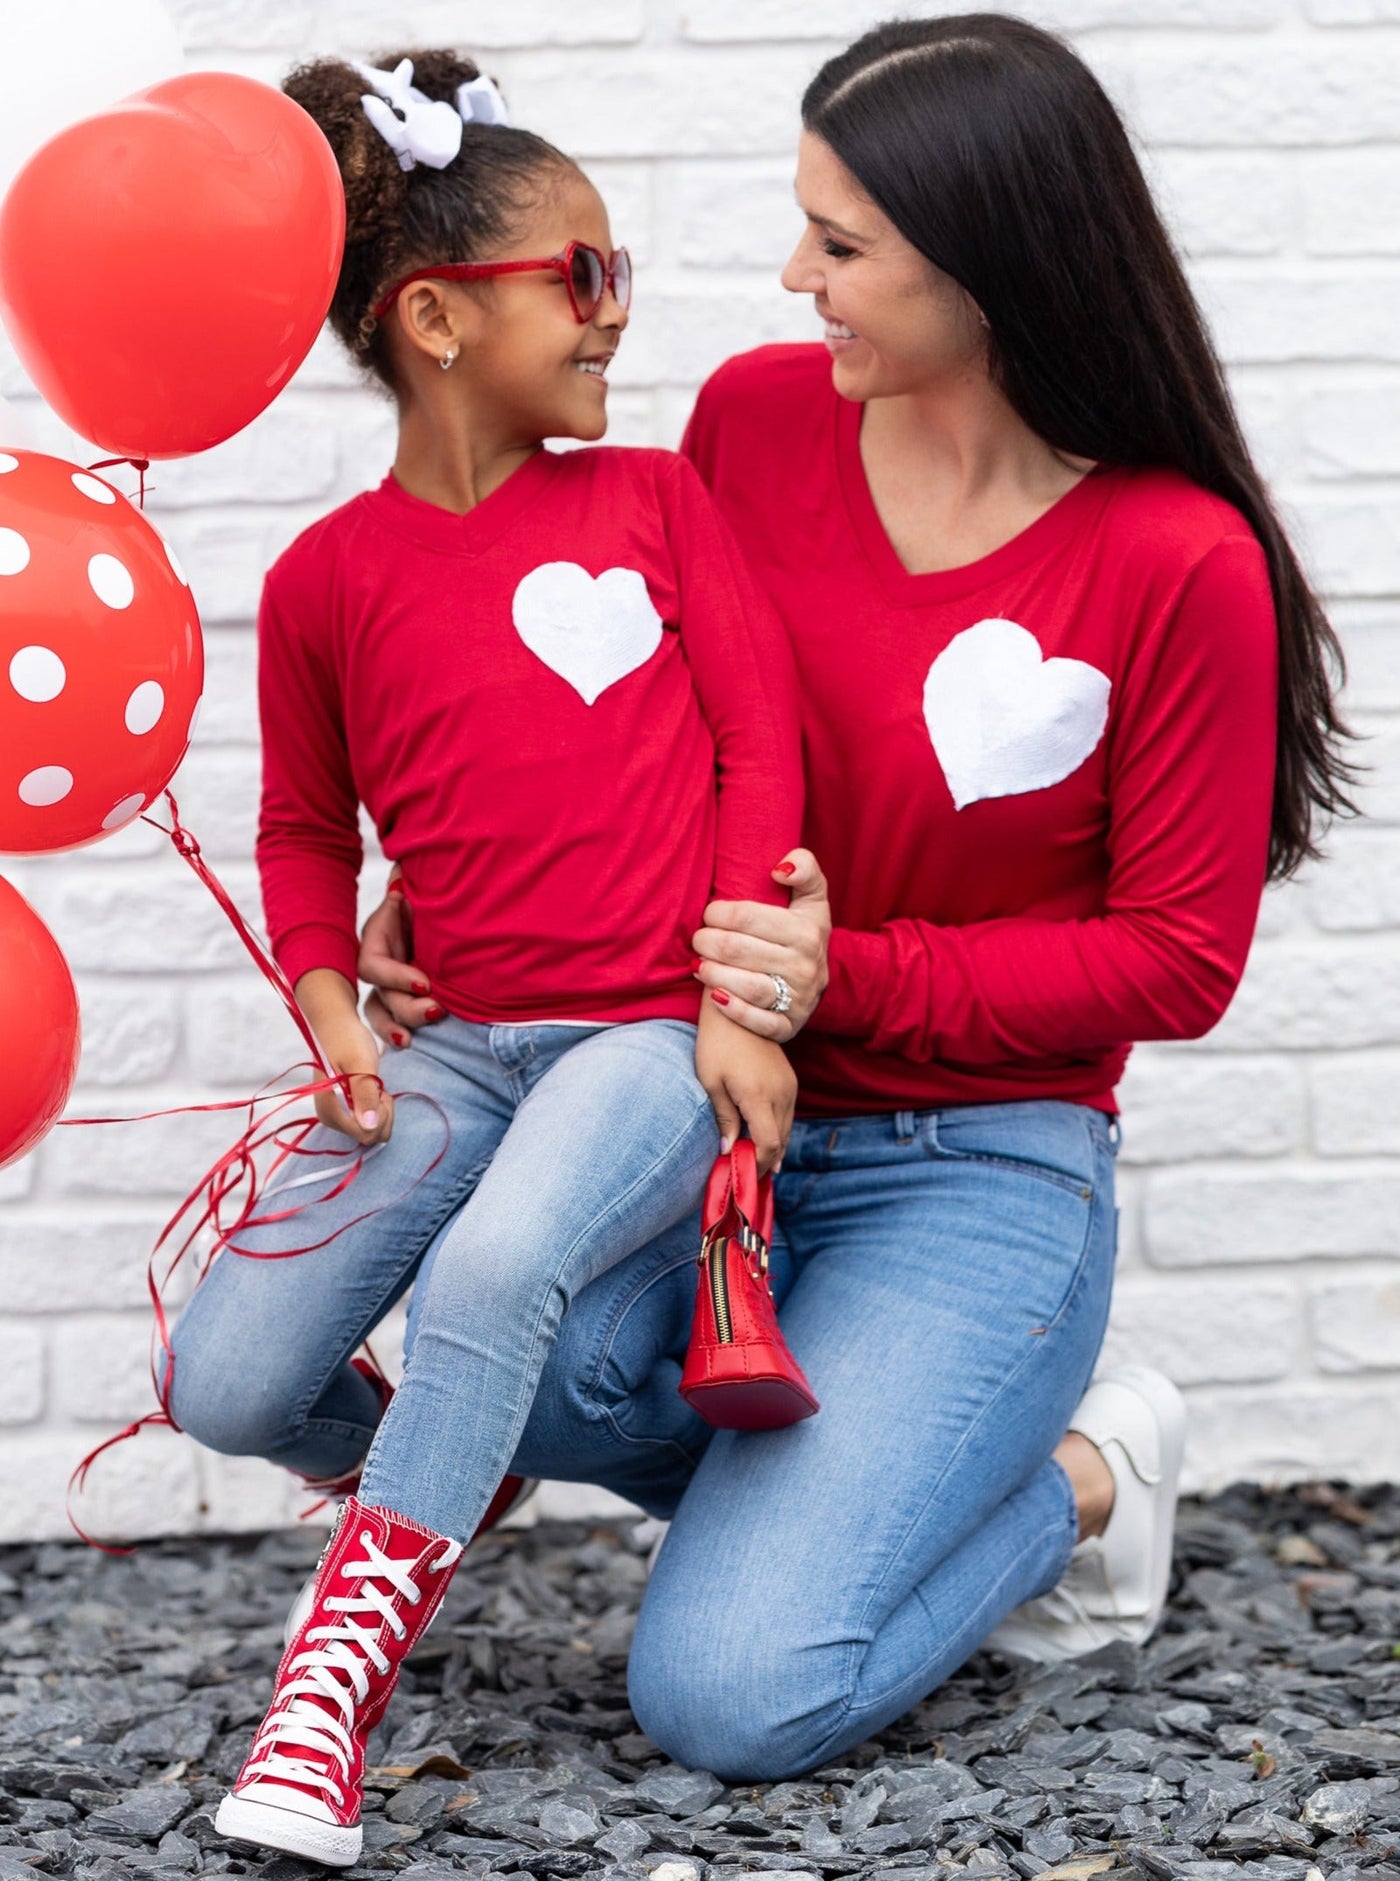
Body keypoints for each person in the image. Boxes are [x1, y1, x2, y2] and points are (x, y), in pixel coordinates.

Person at [359, 14, 1353, 1783]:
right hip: (711, 1116)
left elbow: (1179, 959)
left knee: (733, 1694)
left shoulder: (1176, 561)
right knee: (524, 1348)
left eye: (841, 244)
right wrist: (448, 896)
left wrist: (852, 977)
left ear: (986, 265)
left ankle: (1079, 1472)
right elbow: (643, 719)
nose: (790, 276)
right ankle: (874, 1484)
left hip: (975, 1169)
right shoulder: (753, 424)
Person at [162, 48, 803, 1866]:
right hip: (456, 1049)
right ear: (441, 316)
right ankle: (446, 1466)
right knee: (224, 1376)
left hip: (644, 1043)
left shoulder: (660, 505)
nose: (618, 309)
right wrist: (328, 997)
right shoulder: (325, 582)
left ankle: (327, 1698)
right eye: (583, 275)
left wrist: (741, 994)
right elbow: (306, 833)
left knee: (500, 1261)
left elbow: (767, 751)